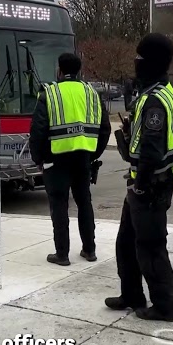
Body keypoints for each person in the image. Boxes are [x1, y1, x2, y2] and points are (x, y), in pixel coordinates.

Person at [105, 33, 173, 322]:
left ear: (149, 62)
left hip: (150, 187)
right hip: (143, 184)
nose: (135, 62)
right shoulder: (155, 92)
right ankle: (132, 295)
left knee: (150, 248)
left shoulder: (154, 101)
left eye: (139, 58)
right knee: (126, 243)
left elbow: (151, 151)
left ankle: (165, 307)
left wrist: (139, 187)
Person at [29, 53, 110, 265]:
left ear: (60, 70)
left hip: (56, 160)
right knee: (84, 203)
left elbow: (37, 129)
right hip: (83, 158)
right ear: (79, 70)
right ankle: (89, 250)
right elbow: (105, 129)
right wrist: (93, 154)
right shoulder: (92, 93)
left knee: (59, 205)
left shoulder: (50, 93)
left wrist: (38, 158)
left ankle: (62, 254)